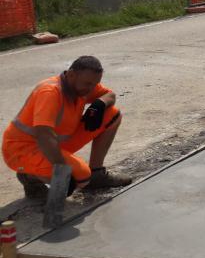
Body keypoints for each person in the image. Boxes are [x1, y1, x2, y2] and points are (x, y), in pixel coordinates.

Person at [3, 56, 132, 199]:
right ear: (71, 75)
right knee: (81, 175)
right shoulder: (50, 92)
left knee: (112, 114)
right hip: (23, 150)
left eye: (94, 84)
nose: (91, 89)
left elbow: (110, 95)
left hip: (53, 144)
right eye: (87, 84)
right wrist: (62, 171)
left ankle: (97, 174)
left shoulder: (81, 87)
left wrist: (99, 104)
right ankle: (30, 177)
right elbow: (44, 135)